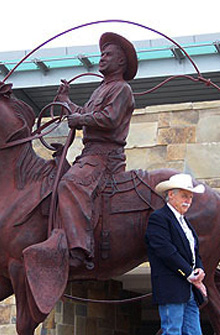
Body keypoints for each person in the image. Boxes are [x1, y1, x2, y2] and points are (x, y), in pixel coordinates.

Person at [55, 32, 138, 269]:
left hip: (104, 157)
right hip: (89, 154)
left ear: (120, 62)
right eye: (102, 54)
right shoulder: (101, 89)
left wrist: (80, 117)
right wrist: (66, 101)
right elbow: (82, 113)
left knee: (70, 184)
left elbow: (109, 118)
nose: (102, 58)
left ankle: (80, 249)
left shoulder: (122, 89)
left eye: (108, 54)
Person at [145, 173, 207, 335]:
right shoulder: (158, 218)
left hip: (189, 288)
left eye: (191, 197)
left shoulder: (185, 222)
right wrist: (189, 273)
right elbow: (165, 251)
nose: (188, 201)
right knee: (172, 331)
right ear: (171, 195)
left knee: (194, 333)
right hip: (171, 286)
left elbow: (194, 252)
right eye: (184, 196)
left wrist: (199, 269)